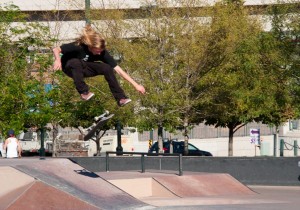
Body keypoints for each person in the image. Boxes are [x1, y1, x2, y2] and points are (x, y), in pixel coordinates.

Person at [52, 25, 146, 106]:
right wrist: (57, 60)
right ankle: (84, 92)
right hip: (69, 67)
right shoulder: (78, 46)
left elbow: (118, 70)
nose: (99, 53)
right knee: (75, 62)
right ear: (90, 46)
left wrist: (136, 85)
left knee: (107, 68)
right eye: (97, 51)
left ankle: (121, 98)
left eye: (101, 51)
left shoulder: (102, 53)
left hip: (84, 68)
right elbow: (56, 49)